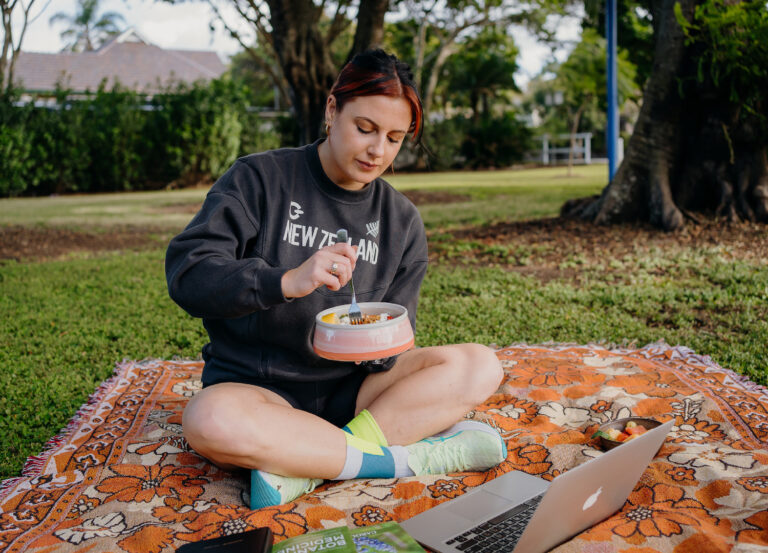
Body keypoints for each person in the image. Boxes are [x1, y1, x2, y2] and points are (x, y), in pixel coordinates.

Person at [165, 49, 506, 510]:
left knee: (480, 365)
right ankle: (404, 460)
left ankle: (307, 466)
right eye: (364, 129)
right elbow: (189, 274)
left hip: (357, 394)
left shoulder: (401, 220)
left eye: (394, 138)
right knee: (208, 419)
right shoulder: (259, 179)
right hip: (258, 388)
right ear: (331, 110)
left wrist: (379, 342)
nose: (377, 151)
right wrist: (287, 280)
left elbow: (396, 345)